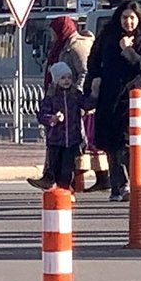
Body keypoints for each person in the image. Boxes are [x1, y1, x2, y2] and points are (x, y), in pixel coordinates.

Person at [86, 0, 141, 202]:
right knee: (110, 143)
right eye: (125, 17)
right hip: (109, 96)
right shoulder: (108, 36)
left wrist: (128, 51)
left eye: (132, 18)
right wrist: (95, 79)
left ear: (138, 19)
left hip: (132, 100)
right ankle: (117, 186)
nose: (128, 22)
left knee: (127, 143)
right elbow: (93, 61)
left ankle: (132, 184)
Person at [34, 15, 92, 189]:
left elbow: (84, 71)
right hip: (57, 100)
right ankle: (51, 177)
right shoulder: (61, 45)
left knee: (69, 156)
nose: (52, 36)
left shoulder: (75, 46)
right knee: (55, 150)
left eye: (53, 31)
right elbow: (42, 114)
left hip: (71, 101)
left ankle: (62, 184)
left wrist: (78, 91)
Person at [34, 62, 89, 191]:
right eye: (63, 78)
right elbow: (42, 115)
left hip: (72, 139)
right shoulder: (51, 97)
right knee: (54, 165)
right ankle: (55, 186)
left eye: (69, 78)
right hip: (55, 139)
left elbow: (86, 104)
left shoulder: (75, 94)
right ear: (56, 80)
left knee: (67, 168)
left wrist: (94, 95)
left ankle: (65, 189)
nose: (66, 81)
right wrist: (51, 118)